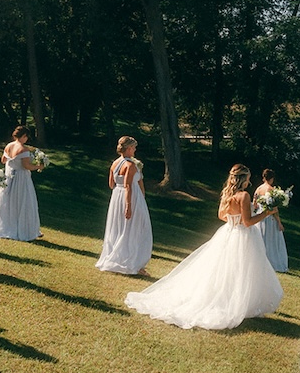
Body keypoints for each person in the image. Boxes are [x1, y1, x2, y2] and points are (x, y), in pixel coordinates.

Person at [125, 164, 282, 330]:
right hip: (242, 236)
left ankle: (230, 301)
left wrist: (236, 218)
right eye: (248, 178)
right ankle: (232, 303)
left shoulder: (227, 194)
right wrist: (266, 213)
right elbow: (248, 222)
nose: (249, 181)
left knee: (225, 270)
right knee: (241, 270)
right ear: (243, 179)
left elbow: (221, 216)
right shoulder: (243, 196)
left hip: (228, 231)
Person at [95, 136, 152, 275]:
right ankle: (132, 263)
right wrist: (129, 206)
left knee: (119, 228)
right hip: (131, 198)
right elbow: (128, 187)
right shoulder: (130, 165)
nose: (135, 150)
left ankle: (123, 259)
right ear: (128, 148)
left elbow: (111, 184)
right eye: (133, 147)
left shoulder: (115, 163)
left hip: (116, 197)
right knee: (135, 229)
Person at [0, 125, 43, 241]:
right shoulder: (23, 149)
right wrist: (39, 166)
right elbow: (26, 166)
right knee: (23, 202)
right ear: (24, 136)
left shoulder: (9, 146)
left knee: (7, 202)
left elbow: (3, 160)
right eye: (26, 137)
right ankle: (24, 229)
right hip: (21, 179)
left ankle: (6, 226)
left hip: (8, 177)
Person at [253, 168, 289, 272]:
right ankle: (270, 261)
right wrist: (279, 222)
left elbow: (254, 204)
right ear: (272, 178)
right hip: (269, 218)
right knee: (271, 240)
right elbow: (274, 209)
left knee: (260, 238)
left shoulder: (258, 189)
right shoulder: (271, 189)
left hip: (259, 217)